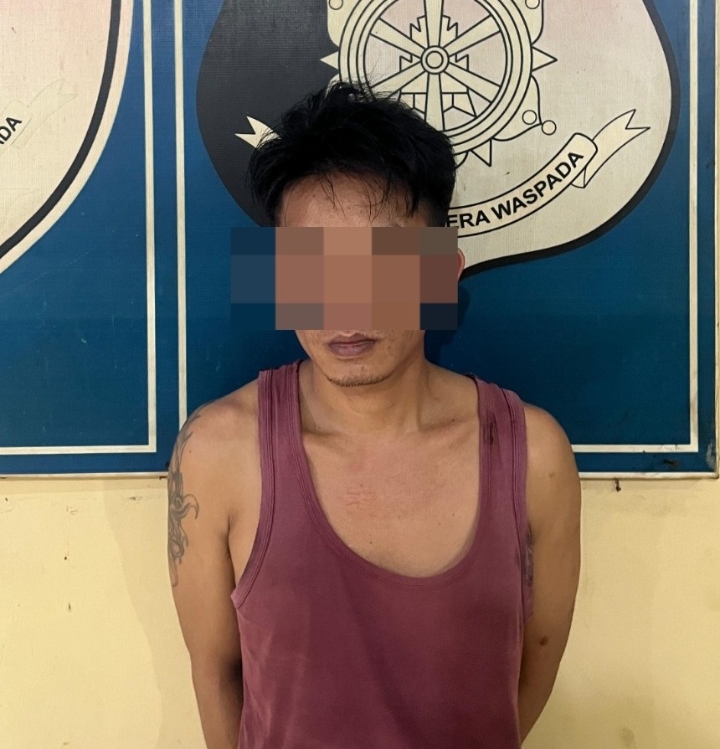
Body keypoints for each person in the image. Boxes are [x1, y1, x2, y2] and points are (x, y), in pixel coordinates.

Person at [167, 82, 581, 749]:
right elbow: (215, 672)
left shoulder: (534, 454)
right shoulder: (216, 452)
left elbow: (530, 671)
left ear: (442, 272)